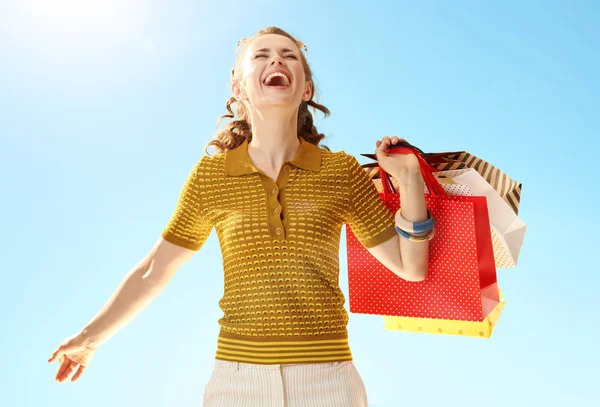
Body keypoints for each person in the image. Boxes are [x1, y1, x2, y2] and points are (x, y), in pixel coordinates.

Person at [48, 26, 434, 406]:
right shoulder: (210, 177)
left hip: (330, 380)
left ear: (306, 88)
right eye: (261, 56)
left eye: (289, 56)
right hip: (236, 383)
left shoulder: (341, 172)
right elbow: (154, 271)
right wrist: (89, 338)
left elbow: (411, 266)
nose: (276, 60)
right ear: (239, 87)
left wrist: (411, 180)